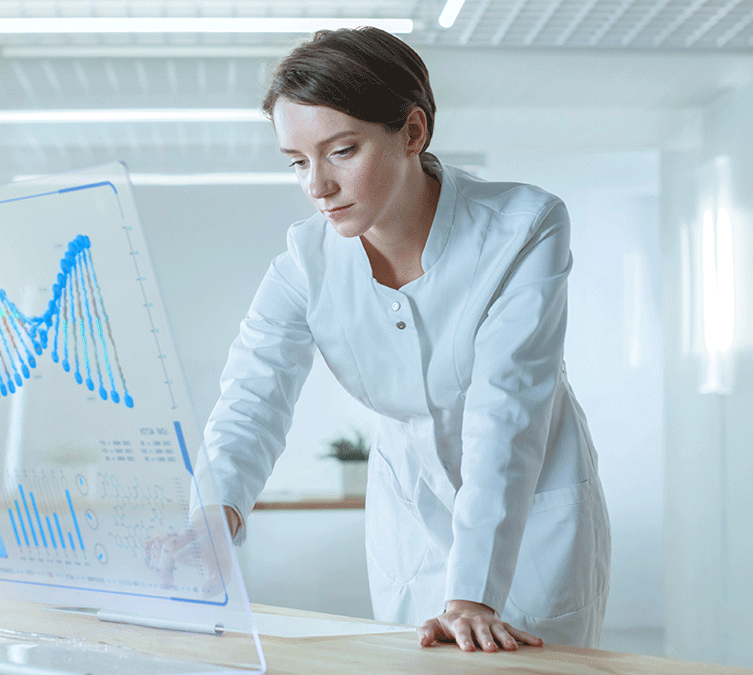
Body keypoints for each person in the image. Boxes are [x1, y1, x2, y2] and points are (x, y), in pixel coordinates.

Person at [149, 26, 610, 652]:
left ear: (413, 133)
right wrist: (212, 518)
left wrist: (472, 591)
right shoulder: (303, 264)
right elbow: (252, 400)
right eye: (297, 161)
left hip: (530, 508)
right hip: (410, 508)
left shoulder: (522, 227)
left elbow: (508, 405)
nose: (317, 186)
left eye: (342, 150)